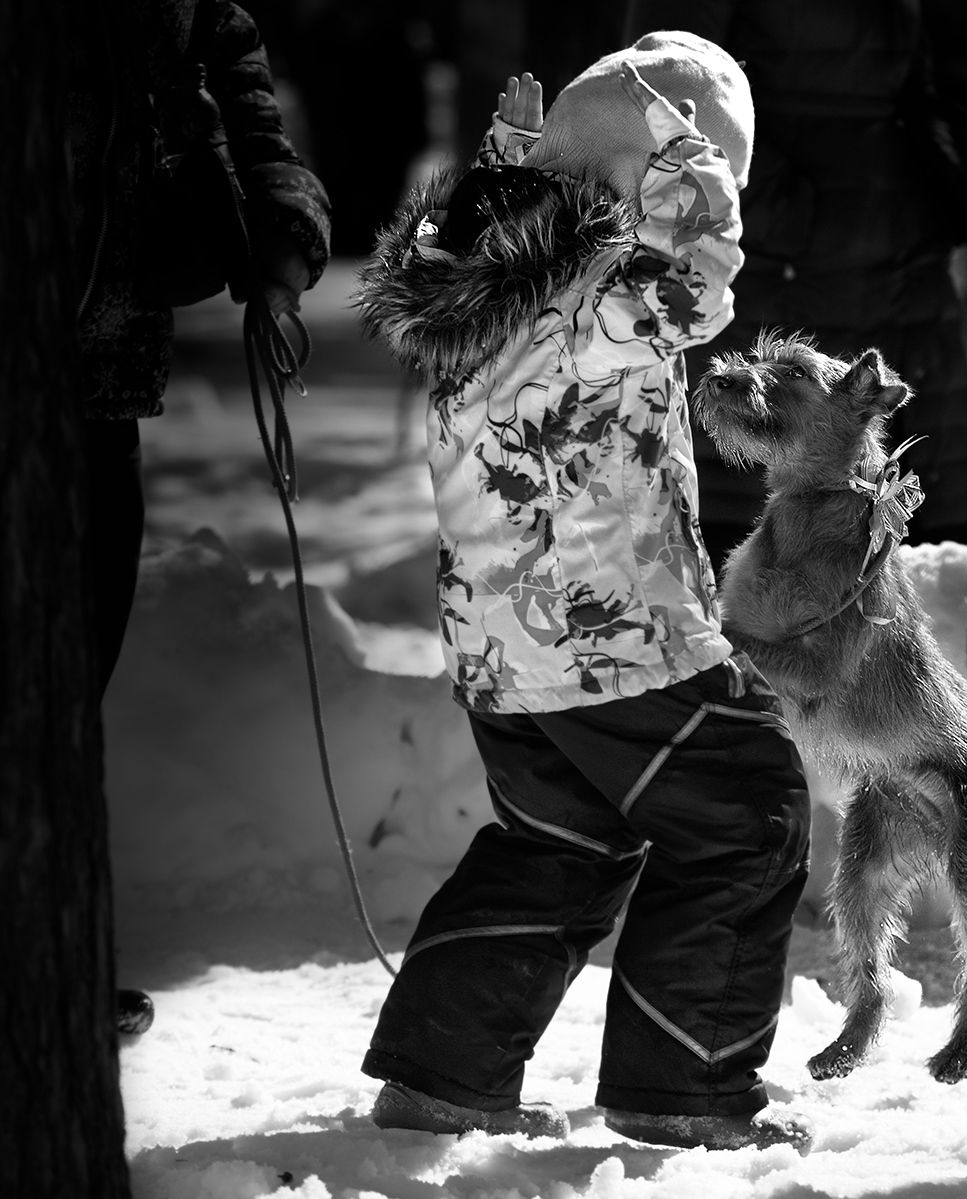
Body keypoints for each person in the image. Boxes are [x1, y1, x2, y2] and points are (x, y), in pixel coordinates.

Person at [352, 33, 813, 1152]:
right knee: (750, 814)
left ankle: (442, 1074)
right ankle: (685, 1092)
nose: (718, 212)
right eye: (713, 183)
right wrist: (696, 179)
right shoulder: (617, 289)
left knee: (563, 837)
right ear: (668, 175)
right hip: (616, 636)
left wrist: (518, 160)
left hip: (506, 649)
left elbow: (494, 232)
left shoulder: (495, 277)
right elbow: (700, 294)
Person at [69, 0, 331, 1035]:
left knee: (72, 674)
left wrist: (276, 239)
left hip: (109, 351)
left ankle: (60, 956)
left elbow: (236, 89)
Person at [620, 0, 967, 570]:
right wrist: (796, 218)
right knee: (751, 571)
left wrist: (946, 183)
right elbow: (664, 91)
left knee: (928, 569)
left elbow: (914, 82)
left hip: (905, 276)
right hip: (777, 277)